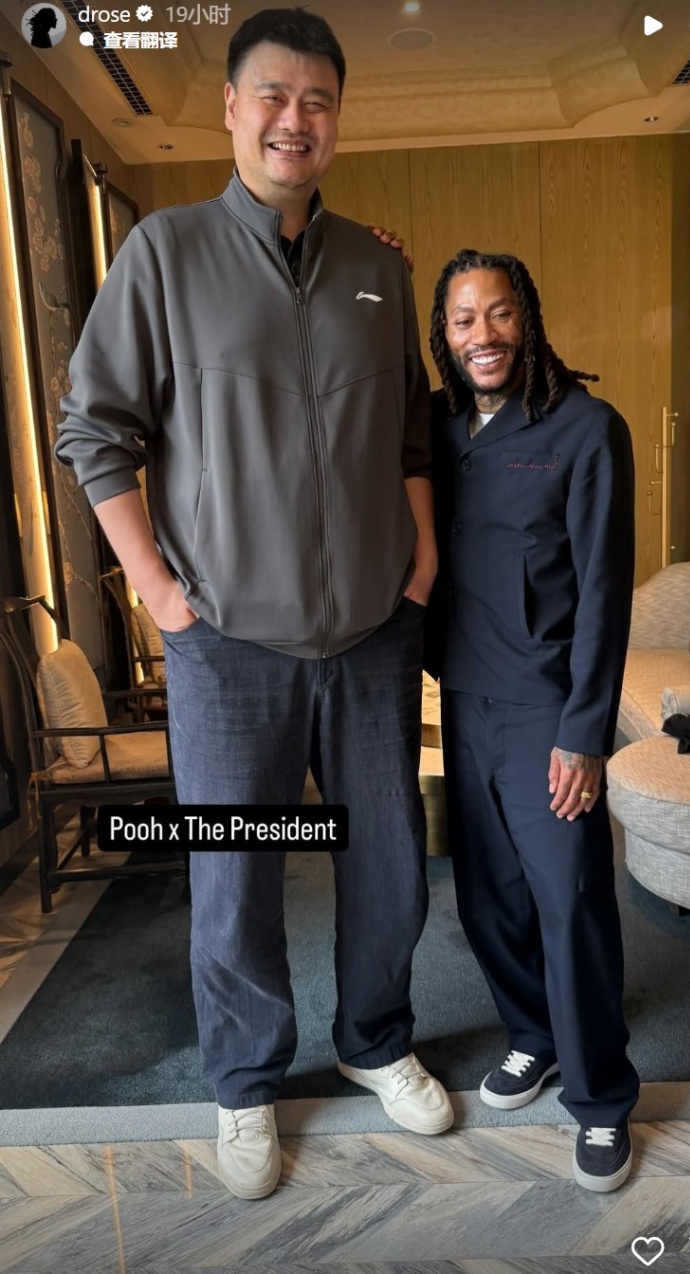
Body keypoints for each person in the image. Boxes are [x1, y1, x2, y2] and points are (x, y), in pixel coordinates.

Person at [56, 6, 453, 1202]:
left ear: (337, 121)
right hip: (226, 642)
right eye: (273, 96)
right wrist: (157, 591)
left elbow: (413, 433)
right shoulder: (164, 253)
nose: (295, 119)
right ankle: (244, 1079)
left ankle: (375, 1038)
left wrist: (422, 559)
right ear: (231, 108)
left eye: (317, 101)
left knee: (388, 860)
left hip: (373, 631)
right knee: (237, 874)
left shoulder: (379, 267)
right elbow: (94, 430)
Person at [426, 248, 640, 1193]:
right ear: (444, 336)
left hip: (548, 705)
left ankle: (601, 1098)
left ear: (529, 318)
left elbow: (604, 591)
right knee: (487, 899)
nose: (484, 335)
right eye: (463, 319)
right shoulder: (440, 431)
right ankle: (535, 1034)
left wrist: (585, 731)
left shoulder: (586, 429)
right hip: (464, 697)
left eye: (499, 313)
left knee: (570, 897)